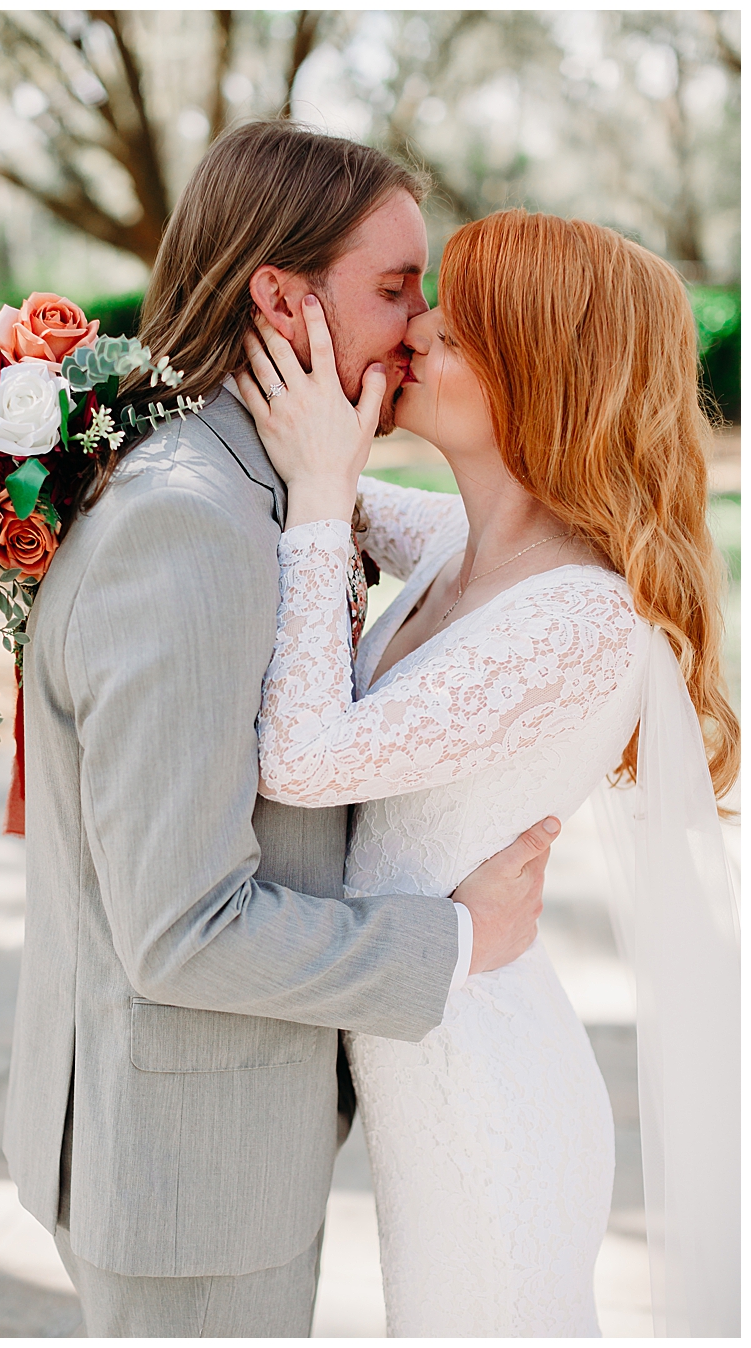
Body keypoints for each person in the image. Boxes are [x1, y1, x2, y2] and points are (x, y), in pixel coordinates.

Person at [2, 120, 558, 1337]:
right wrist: (457, 942)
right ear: (280, 296)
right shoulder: (192, 522)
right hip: (190, 1175)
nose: (418, 329)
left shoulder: (263, 482)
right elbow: (183, 927)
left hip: (210, 1139)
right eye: (394, 289)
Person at [237, 209, 737, 1335]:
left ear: (540, 381)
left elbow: (305, 753)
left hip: (488, 1099)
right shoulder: (470, 548)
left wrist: (321, 493)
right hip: (428, 1064)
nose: (413, 337)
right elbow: (346, 494)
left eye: (452, 337)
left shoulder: (581, 620)